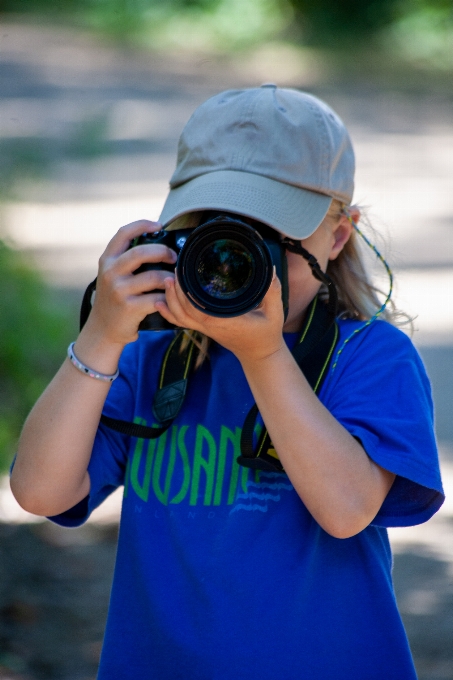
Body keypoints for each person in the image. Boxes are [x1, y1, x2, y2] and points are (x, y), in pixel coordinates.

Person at [11, 85, 444, 679]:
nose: (243, 262)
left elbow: (346, 511)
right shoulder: (153, 359)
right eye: (219, 234)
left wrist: (263, 356)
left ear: (338, 235)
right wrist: (102, 337)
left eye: (273, 239)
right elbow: (39, 492)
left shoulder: (370, 357)